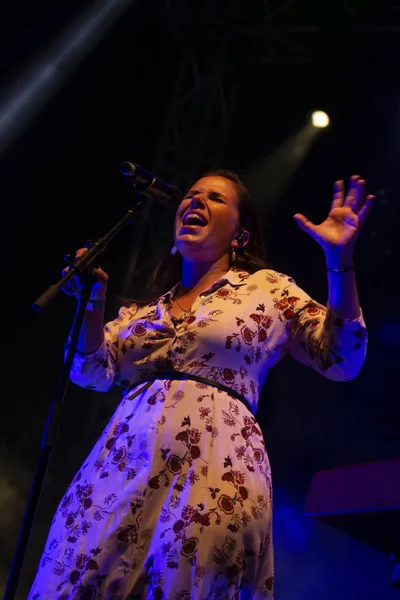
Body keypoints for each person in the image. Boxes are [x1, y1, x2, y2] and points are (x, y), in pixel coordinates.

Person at [27, 170, 373, 600]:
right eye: (190, 196)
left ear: (240, 236)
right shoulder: (142, 312)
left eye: (214, 198)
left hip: (214, 468)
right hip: (120, 469)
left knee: (185, 582)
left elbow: (341, 357)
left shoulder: (266, 289)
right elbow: (89, 371)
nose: (196, 202)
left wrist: (340, 262)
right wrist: (93, 302)